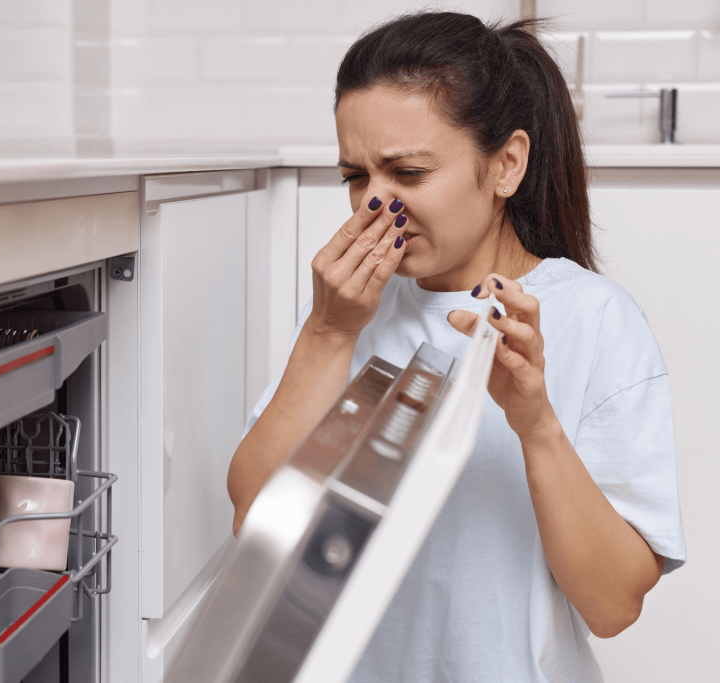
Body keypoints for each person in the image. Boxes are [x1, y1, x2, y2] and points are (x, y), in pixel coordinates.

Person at [227, 12, 685, 683]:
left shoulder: (596, 322)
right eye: (356, 175)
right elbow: (254, 523)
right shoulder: (346, 311)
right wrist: (327, 334)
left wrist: (536, 424)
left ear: (506, 165)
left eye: (407, 173)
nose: (375, 205)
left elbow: (614, 606)